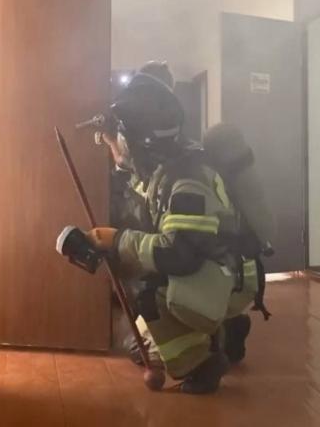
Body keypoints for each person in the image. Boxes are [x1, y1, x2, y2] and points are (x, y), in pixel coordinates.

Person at [68, 61, 259, 394]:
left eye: (124, 135)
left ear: (141, 140)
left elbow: (179, 253)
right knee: (141, 332)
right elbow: (141, 184)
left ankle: (201, 364)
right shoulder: (172, 161)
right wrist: (114, 143)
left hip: (228, 274)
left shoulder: (186, 183)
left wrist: (118, 241)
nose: (121, 143)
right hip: (221, 267)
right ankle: (226, 329)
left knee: (146, 310)